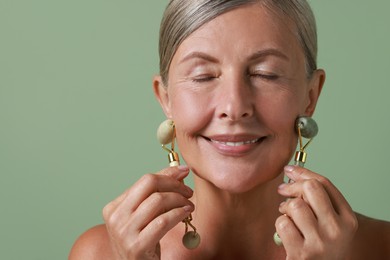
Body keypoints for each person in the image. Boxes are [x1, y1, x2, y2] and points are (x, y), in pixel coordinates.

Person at [69, 0, 390, 259]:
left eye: (266, 74)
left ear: (310, 95)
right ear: (165, 98)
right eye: (203, 76)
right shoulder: (100, 254)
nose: (234, 106)